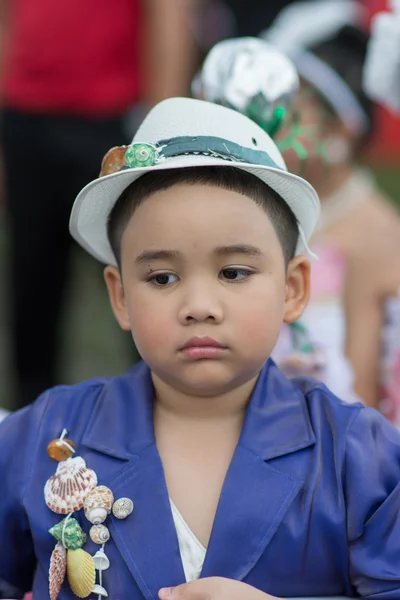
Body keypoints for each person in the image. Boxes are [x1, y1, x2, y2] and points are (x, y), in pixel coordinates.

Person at [1, 97, 400, 599]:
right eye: (162, 277)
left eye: (234, 272)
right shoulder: (42, 438)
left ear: (293, 288)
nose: (199, 305)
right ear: (120, 296)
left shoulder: (358, 457)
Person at [0, 0, 197, 410]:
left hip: (110, 121)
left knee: (143, 275)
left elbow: (169, 14)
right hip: (25, 116)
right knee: (32, 285)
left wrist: (161, 135)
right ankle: (30, 425)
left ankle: (163, 415)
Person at [255, 0, 400, 415]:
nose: (267, 127)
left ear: (340, 132)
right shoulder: (268, 209)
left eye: (287, 115)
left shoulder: (377, 241)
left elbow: (361, 406)